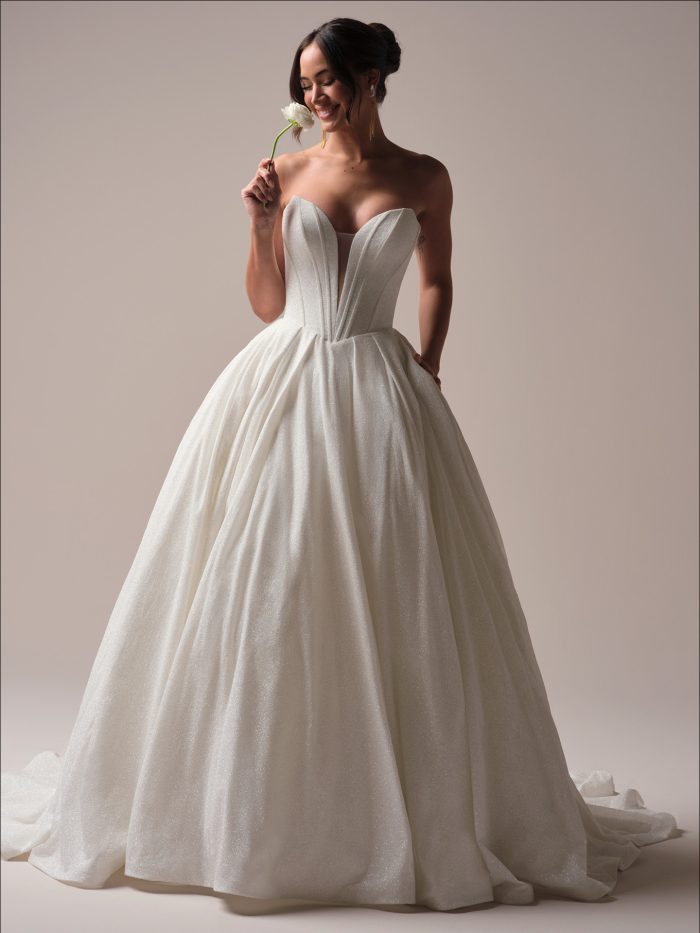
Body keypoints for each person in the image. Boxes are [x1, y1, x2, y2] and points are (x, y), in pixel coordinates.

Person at [1, 17, 678, 912]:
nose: (316, 96)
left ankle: (393, 806)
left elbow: (436, 276)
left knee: (401, 584)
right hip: (281, 381)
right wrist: (257, 222)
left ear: (370, 78)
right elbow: (267, 301)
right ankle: (249, 809)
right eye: (306, 82)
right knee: (267, 584)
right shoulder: (284, 172)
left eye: (329, 79)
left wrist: (428, 365)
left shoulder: (424, 175)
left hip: (380, 387)